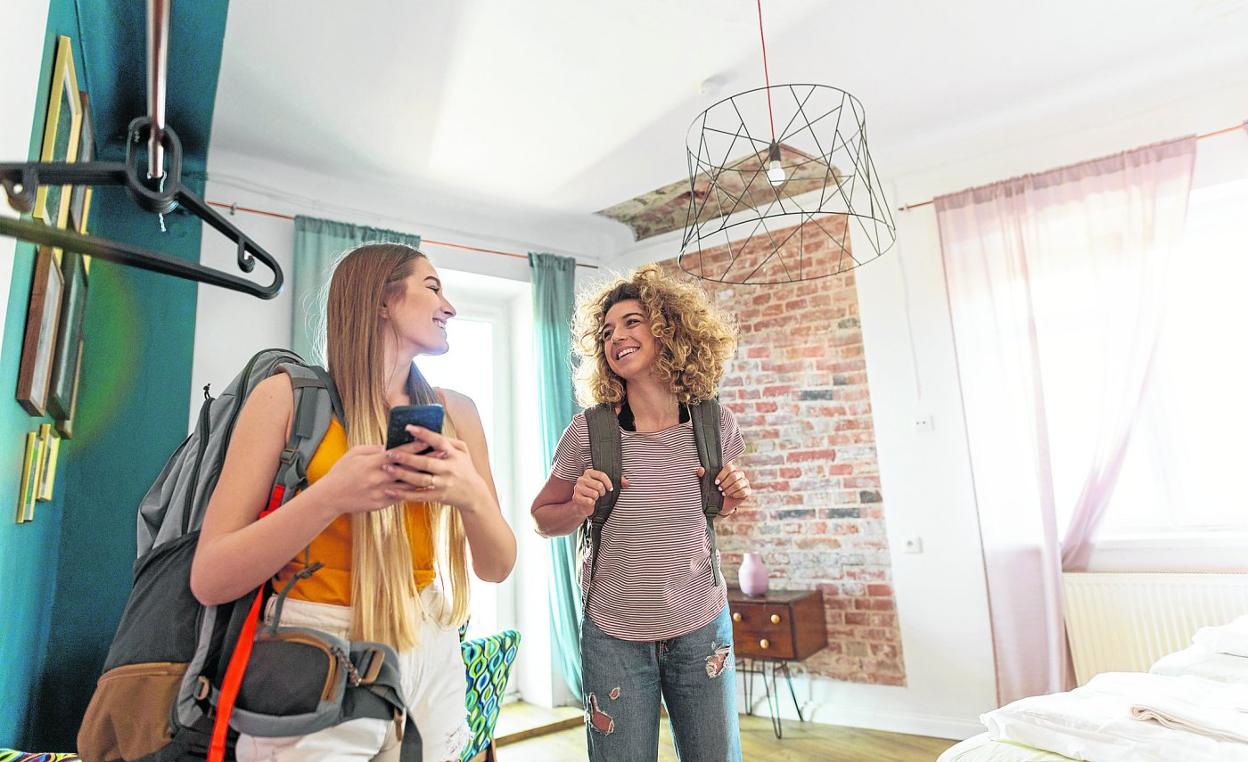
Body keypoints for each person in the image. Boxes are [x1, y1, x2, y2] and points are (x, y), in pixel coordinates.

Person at [190, 243, 516, 761]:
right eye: (432, 287)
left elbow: (498, 566)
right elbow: (210, 577)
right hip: (315, 653)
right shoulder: (285, 399)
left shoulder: (458, 413)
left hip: (431, 643)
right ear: (382, 301)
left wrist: (470, 494)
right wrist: (330, 497)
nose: (449, 306)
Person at [531, 264, 752, 762]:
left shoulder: (714, 423)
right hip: (615, 633)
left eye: (632, 321)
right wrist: (578, 504)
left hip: (701, 626)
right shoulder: (590, 433)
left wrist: (732, 494)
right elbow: (544, 518)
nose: (618, 337)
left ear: (670, 330)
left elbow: (708, 512)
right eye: (607, 331)